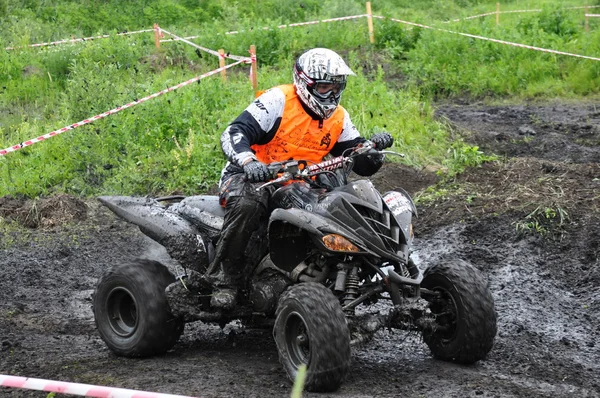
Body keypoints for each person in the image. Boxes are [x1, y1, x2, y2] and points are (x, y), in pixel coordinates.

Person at [202, 47, 394, 310]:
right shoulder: (278, 100)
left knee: (340, 200)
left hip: (300, 181)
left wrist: (372, 152)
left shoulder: (339, 116)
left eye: (338, 87)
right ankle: (224, 280)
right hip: (254, 177)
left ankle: (333, 270)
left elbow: (357, 158)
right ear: (306, 83)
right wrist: (249, 162)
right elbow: (234, 132)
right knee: (249, 204)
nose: (333, 94)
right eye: (326, 87)